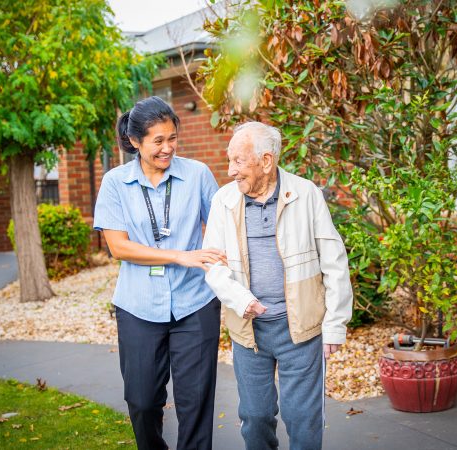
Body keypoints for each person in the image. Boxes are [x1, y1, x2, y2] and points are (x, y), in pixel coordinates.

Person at [203, 121, 353, 450]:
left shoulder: (306, 193)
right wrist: (240, 300)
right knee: (255, 417)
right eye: (229, 161)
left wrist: (335, 325)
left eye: (238, 161)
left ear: (267, 161)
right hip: (248, 329)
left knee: (303, 418)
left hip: (299, 328)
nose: (230, 171)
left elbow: (334, 261)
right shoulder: (223, 201)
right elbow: (212, 264)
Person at [93, 96, 226, 450]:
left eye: (172, 138)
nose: (167, 148)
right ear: (135, 141)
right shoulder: (114, 183)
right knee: (142, 401)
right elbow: (118, 246)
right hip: (137, 306)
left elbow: (221, 228)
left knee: (195, 403)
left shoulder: (197, 174)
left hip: (195, 304)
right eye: (158, 141)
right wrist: (179, 256)